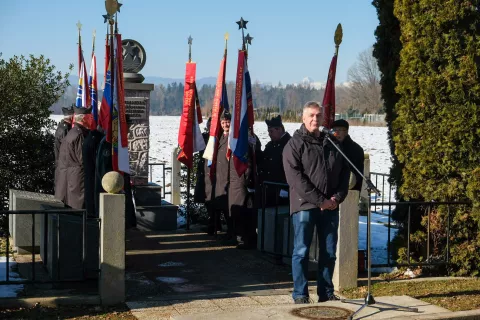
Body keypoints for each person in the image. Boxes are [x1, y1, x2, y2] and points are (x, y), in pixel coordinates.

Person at [282, 101, 350, 304]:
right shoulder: (294, 145)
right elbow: (296, 179)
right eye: (311, 115)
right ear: (303, 118)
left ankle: (326, 292)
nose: (315, 119)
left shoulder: (332, 143)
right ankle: (301, 294)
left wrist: (337, 198)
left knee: (329, 252)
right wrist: (320, 200)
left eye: (318, 116)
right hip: (305, 205)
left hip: (329, 206)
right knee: (301, 251)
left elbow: (344, 173)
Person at [228, 128, 262, 250]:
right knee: (239, 213)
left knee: (247, 213)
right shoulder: (235, 140)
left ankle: (248, 239)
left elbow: (252, 161)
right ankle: (241, 237)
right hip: (236, 183)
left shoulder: (250, 141)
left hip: (246, 184)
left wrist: (249, 181)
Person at [55, 107, 92, 209]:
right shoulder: (79, 135)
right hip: (78, 178)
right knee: (78, 209)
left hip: (71, 176)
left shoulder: (72, 132)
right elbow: (82, 159)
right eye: (90, 117)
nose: (92, 119)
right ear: (84, 118)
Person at [260, 115, 291, 207]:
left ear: (279, 130)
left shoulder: (290, 145)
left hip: (282, 190)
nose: (269, 134)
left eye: (271, 131)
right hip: (269, 190)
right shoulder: (270, 145)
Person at [213, 111, 234, 240]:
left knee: (229, 209)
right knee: (222, 207)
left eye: (227, 121)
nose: (225, 124)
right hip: (220, 179)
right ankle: (225, 231)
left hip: (229, 179)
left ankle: (232, 232)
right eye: (223, 122)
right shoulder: (220, 137)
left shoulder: (232, 138)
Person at [332, 119, 365, 191]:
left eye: (340, 130)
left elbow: (357, 173)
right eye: (334, 130)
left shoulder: (356, 149)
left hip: (349, 187)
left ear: (346, 132)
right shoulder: (329, 145)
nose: (337, 132)